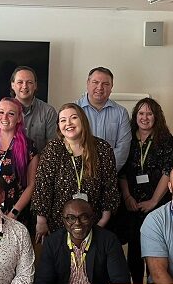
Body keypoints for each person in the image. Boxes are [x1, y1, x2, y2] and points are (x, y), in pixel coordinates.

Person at [33, 103, 119, 241]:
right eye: (63, 120)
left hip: (94, 224)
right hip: (58, 226)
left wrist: (104, 220)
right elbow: (43, 187)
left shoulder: (102, 149)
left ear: (82, 120)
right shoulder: (53, 149)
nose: (68, 123)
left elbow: (110, 186)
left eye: (73, 118)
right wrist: (41, 221)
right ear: (59, 126)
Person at [119, 97, 173, 283]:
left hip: (157, 203)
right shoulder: (127, 137)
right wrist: (127, 197)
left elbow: (168, 172)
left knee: (156, 249)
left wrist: (153, 201)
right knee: (135, 250)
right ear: (136, 116)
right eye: (141, 113)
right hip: (133, 204)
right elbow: (122, 171)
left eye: (149, 114)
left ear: (156, 117)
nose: (145, 117)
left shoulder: (165, 140)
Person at [0, 97, 39, 224]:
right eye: (1, 112)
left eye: (10, 114)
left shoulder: (28, 147)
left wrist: (14, 213)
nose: (4, 117)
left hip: (15, 215)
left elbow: (31, 185)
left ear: (18, 118)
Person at [76, 66, 132, 170]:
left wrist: (106, 172)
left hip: (109, 175)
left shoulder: (121, 113)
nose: (100, 87)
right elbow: (68, 144)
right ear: (87, 83)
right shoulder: (74, 110)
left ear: (111, 87)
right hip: (79, 173)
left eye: (105, 84)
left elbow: (123, 149)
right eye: (95, 82)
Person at [9, 66, 57, 151]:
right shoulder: (2, 111)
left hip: (40, 162)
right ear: (13, 85)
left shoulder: (48, 112)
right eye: (20, 82)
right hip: (9, 163)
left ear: (35, 86)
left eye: (29, 82)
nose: (24, 86)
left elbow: (52, 148)